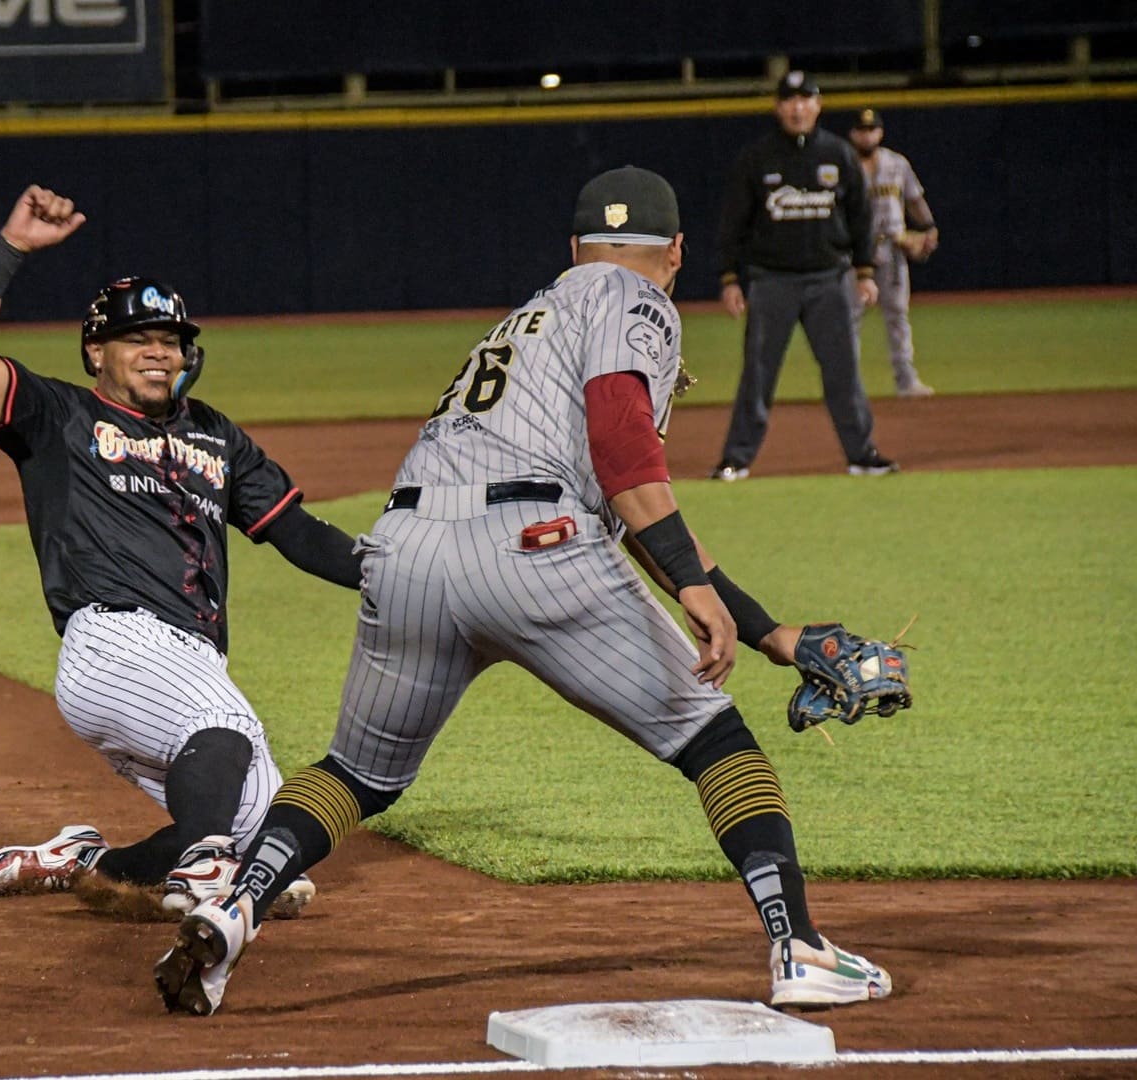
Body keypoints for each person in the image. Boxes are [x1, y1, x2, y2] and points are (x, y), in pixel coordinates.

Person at [152, 166, 894, 1017]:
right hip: (534, 546)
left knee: (356, 775)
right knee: (716, 744)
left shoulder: (530, 316)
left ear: (572, 247)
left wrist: (771, 635)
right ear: (679, 251)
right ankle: (797, 946)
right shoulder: (637, 299)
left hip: (405, 549)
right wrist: (692, 582)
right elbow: (624, 457)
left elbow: (624, 502)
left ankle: (238, 903)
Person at [0, 185, 358, 918]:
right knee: (220, 732)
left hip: (191, 658)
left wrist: (393, 571)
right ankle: (200, 872)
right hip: (114, 639)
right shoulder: (58, 416)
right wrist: (14, 250)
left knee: (267, 841)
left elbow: (298, 534)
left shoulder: (216, 435)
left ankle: (88, 864)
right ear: (98, 351)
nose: (159, 353)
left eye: (171, 340)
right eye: (139, 340)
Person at [710, 70, 898, 480]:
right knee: (758, 375)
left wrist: (865, 272)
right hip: (771, 281)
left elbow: (862, 219)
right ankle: (736, 459)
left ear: (818, 105)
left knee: (843, 371)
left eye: (805, 99)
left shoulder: (838, 154)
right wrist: (729, 278)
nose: (797, 107)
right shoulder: (757, 157)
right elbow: (733, 222)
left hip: (828, 281)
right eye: (789, 100)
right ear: (778, 107)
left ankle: (861, 454)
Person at [848, 108, 941, 398]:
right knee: (849, 318)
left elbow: (914, 199)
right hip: (853, 253)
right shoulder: (842, 165)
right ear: (853, 134)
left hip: (892, 247)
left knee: (898, 313)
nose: (867, 135)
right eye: (862, 130)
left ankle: (906, 380)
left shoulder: (896, 163)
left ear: (881, 132)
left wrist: (928, 227)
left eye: (872, 129)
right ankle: (846, 386)